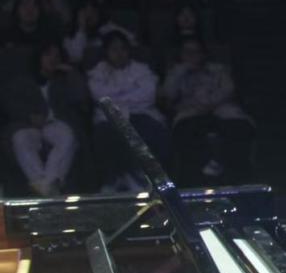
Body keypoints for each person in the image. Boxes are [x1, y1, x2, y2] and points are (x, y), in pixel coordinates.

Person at [160, 37, 253, 184]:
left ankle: (236, 177)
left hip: (221, 109)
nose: (192, 56)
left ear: (204, 54)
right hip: (190, 112)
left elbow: (228, 89)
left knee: (239, 127)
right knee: (186, 132)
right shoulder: (176, 71)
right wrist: (180, 72)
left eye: (196, 52)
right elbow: (168, 94)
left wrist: (209, 103)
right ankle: (198, 177)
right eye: (188, 52)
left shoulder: (218, 69)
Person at [2, 42, 89, 196]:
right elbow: (9, 104)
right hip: (28, 124)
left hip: (57, 123)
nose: (53, 59)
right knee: (20, 138)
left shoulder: (63, 80)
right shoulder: (23, 81)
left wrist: (71, 72)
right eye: (48, 54)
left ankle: (46, 184)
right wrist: (28, 116)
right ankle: (46, 185)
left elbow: (80, 96)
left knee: (68, 136)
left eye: (57, 56)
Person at [88, 30, 168, 189]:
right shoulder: (98, 71)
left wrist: (116, 95)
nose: (119, 53)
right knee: (106, 135)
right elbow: (100, 96)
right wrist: (130, 92)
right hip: (107, 117)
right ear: (106, 52)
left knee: (151, 132)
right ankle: (113, 181)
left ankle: (142, 179)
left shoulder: (141, 69)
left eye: (123, 48)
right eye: (114, 49)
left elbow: (148, 95)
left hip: (141, 113)